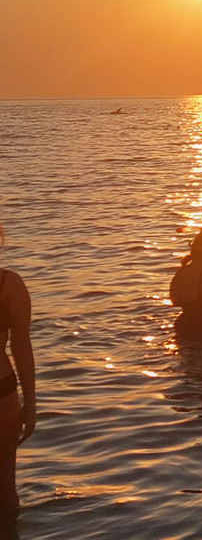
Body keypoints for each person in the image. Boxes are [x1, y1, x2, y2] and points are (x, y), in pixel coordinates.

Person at [0, 224, 35, 540]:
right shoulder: (8, 284)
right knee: (5, 487)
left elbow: (22, 347)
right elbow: (21, 346)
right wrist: (31, 404)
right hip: (3, 392)